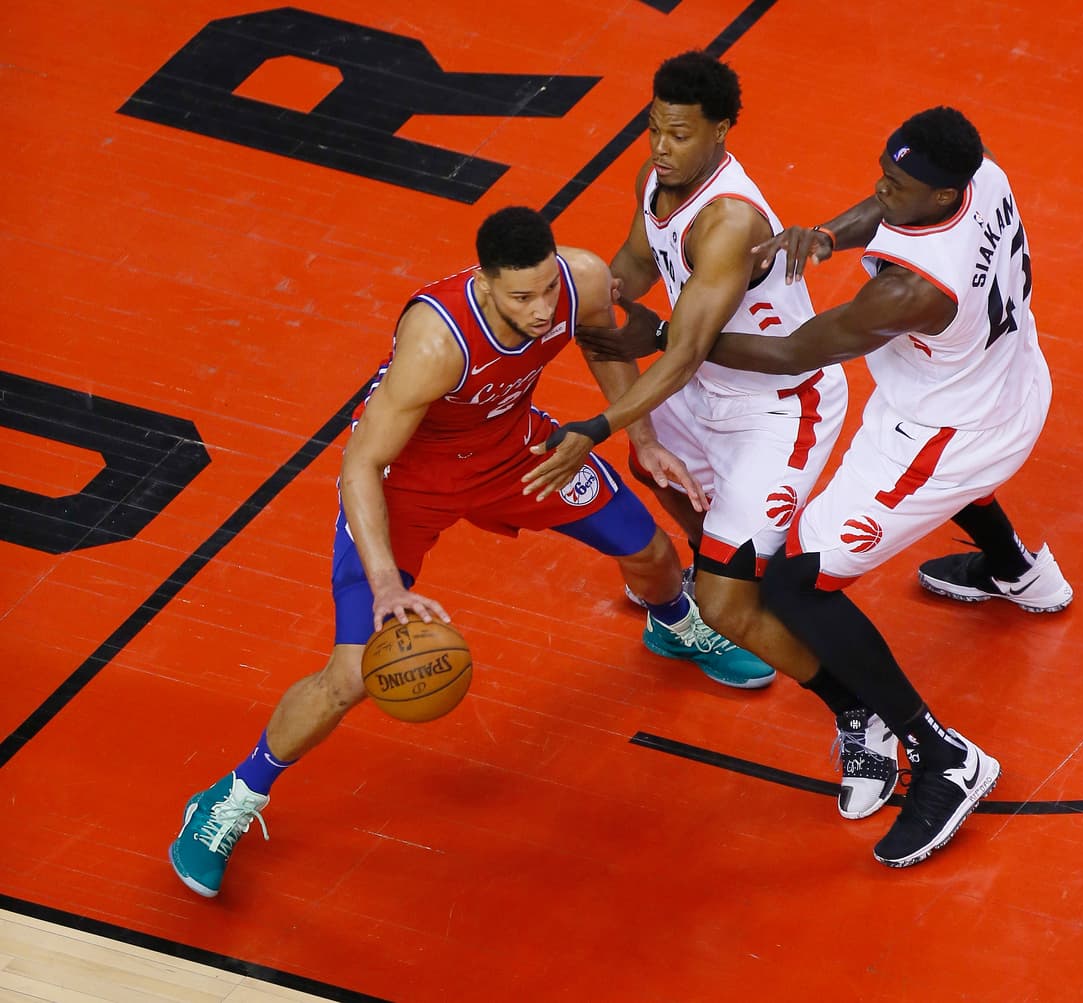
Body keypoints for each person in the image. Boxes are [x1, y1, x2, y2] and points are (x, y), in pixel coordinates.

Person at [168, 206, 776, 899]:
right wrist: (386, 585)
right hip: (408, 485)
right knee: (352, 675)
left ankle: (671, 624)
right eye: (521, 297)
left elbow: (602, 343)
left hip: (516, 454)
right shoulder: (437, 341)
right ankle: (231, 796)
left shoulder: (580, 279)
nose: (541, 308)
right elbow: (361, 463)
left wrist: (641, 438)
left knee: (651, 552)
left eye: (546, 289)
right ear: (484, 284)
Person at [579, 107, 1072, 867]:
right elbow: (888, 205)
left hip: (941, 440)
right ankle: (1014, 568)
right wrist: (828, 235)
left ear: (943, 195)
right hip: (1009, 379)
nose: (881, 186)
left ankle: (944, 758)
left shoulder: (913, 291)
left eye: (897, 183)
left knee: (793, 585)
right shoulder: (981, 174)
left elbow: (795, 351)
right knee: (801, 548)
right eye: (885, 169)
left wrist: (670, 338)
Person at [522, 51, 850, 727]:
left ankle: (855, 705)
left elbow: (680, 353)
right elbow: (634, 268)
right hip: (702, 383)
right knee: (655, 463)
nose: (660, 148)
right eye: (654, 129)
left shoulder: (728, 221)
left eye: (679, 134)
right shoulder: (656, 179)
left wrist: (597, 427)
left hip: (778, 406)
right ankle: (719, 561)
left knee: (735, 603)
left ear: (721, 130)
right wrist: (572, 303)